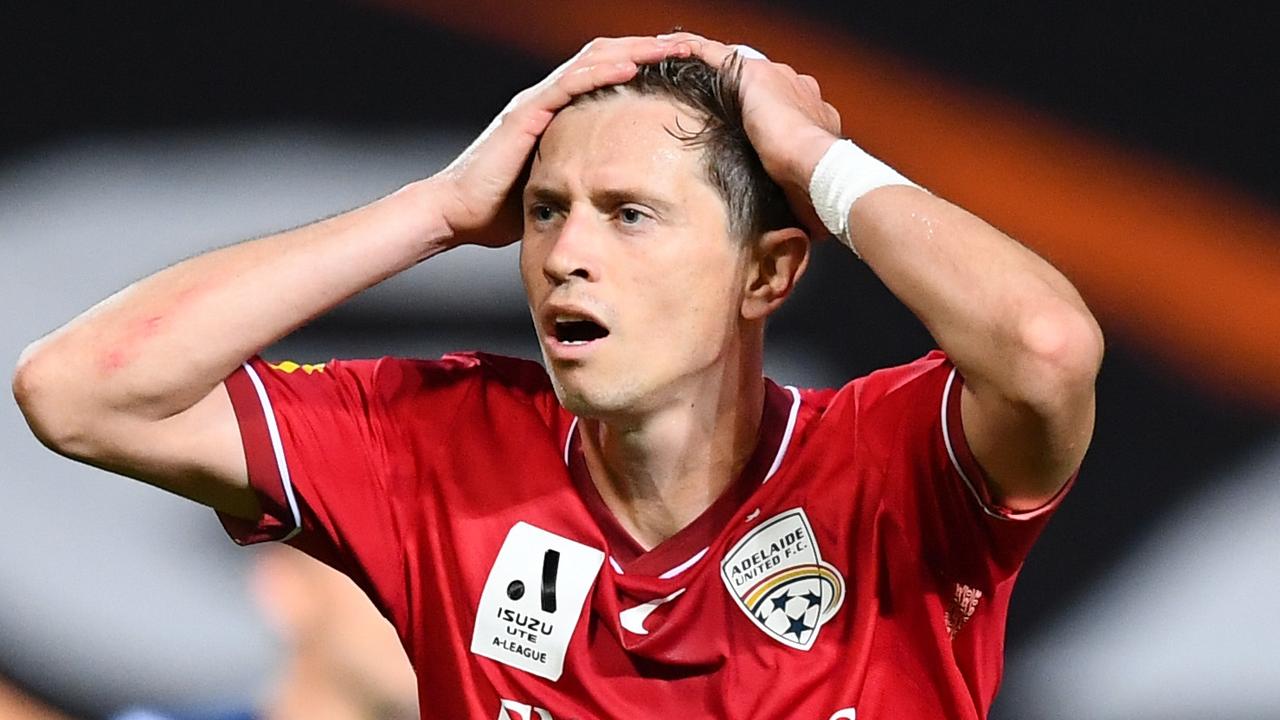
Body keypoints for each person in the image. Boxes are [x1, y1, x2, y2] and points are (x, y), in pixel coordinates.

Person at [13, 31, 1102, 719]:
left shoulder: (891, 465)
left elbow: (1044, 348)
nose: (567, 253)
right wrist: (435, 210)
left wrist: (816, 166)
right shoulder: (435, 442)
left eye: (629, 215)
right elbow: (81, 389)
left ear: (766, 273)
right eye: (544, 211)